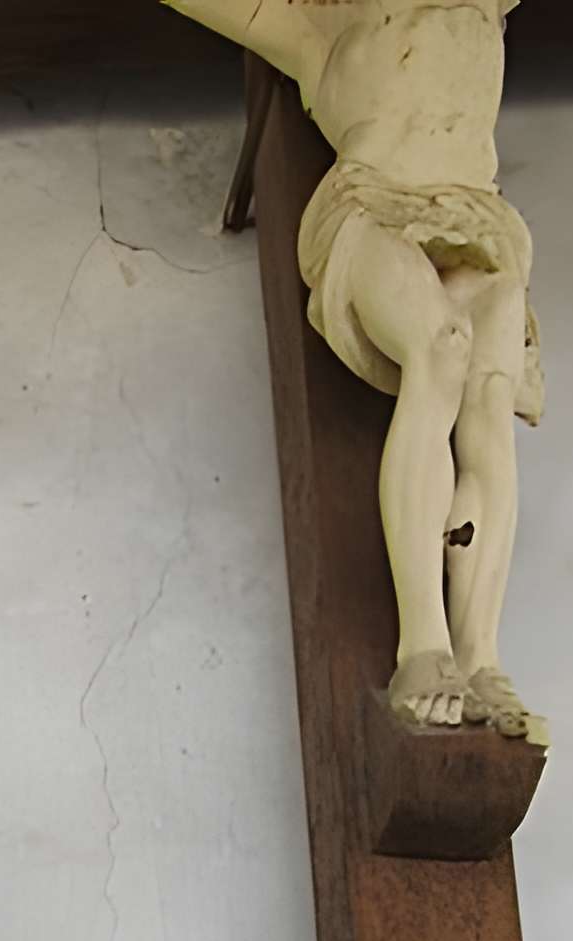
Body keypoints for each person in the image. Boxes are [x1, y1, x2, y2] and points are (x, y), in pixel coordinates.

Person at [161, 0, 541, 734]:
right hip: (374, 210)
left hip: (479, 218)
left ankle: (482, 658)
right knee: (442, 349)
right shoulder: (318, 22)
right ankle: (423, 644)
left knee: (488, 398)